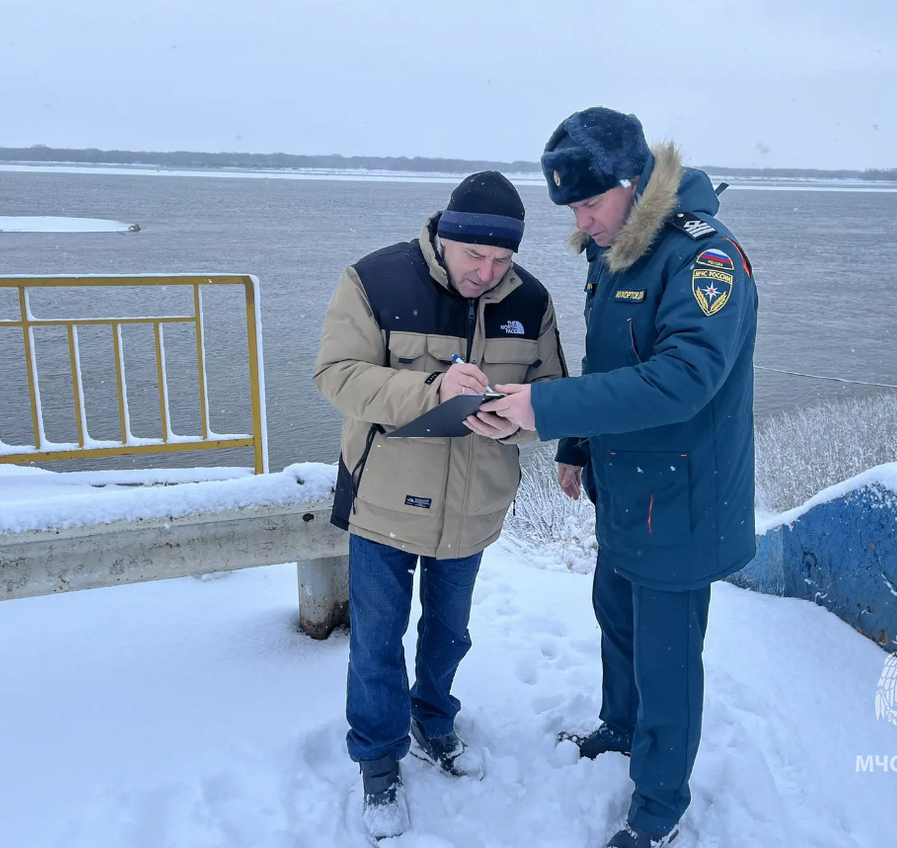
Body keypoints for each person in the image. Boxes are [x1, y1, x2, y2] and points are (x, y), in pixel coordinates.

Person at [484, 107, 758, 848]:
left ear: (634, 184)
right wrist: (575, 443)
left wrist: (542, 406)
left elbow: (683, 378)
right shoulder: (612, 255)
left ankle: (658, 807)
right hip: (625, 490)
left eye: (591, 203)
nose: (582, 220)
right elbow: (611, 364)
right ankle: (623, 725)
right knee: (619, 619)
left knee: (669, 659)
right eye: (571, 206)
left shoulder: (704, 259)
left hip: (682, 497)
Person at [313, 170, 567, 843]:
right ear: (444, 237)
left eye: (501, 260)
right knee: (376, 641)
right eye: (474, 256)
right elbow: (335, 375)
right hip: (383, 502)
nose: (486, 273)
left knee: (449, 633)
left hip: (473, 507)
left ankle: (433, 718)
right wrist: (432, 389)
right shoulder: (375, 281)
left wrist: (517, 421)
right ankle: (377, 760)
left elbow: (553, 397)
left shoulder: (532, 301)